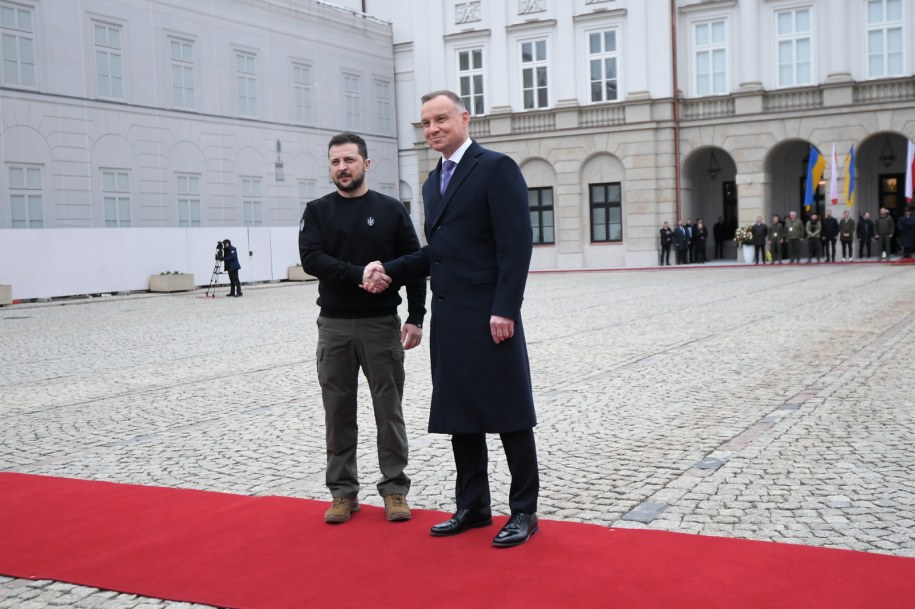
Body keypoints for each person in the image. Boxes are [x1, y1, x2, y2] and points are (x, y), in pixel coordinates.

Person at [363, 90, 540, 548]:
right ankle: (474, 507)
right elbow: (438, 254)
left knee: (510, 413)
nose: (433, 129)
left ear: (464, 117)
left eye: (441, 119)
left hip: (489, 317)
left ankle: (524, 510)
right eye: (425, 123)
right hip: (450, 317)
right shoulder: (431, 181)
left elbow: (516, 245)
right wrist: (389, 270)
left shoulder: (495, 167)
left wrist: (505, 307)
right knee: (462, 414)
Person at [298, 132, 427, 524]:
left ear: (366, 164)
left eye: (349, 160)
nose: (342, 168)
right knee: (337, 411)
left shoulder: (390, 210)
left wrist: (417, 317)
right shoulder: (318, 211)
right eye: (336, 161)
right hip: (334, 327)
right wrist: (360, 274)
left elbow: (414, 262)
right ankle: (343, 492)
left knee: (388, 410)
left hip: (380, 326)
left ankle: (394, 489)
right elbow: (311, 259)